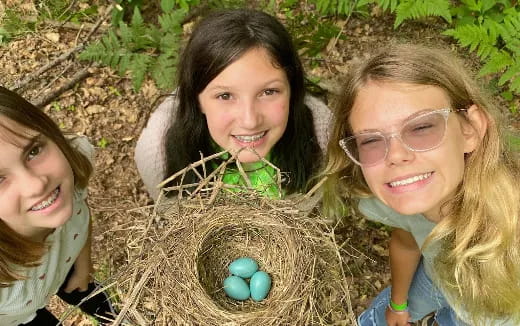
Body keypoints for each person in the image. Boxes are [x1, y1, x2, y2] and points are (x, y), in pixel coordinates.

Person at [319, 44, 520, 325]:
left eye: (422, 127)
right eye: (371, 140)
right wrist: (399, 304)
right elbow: (406, 241)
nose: (397, 156)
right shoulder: (400, 196)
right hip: (437, 277)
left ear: (469, 129)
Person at [134, 8, 331, 200]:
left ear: (292, 90)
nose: (250, 121)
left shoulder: (323, 136)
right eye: (225, 96)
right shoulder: (156, 156)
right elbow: (173, 218)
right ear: (196, 99)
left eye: (268, 92)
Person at [0, 86, 116, 325]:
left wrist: (84, 264)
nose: (36, 185)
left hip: (70, 268)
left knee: (106, 309)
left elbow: (81, 215)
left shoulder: (71, 170)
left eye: (33, 151)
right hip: (21, 320)